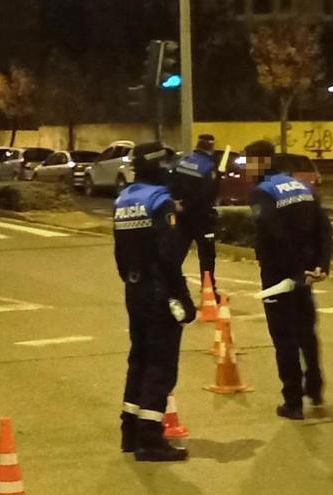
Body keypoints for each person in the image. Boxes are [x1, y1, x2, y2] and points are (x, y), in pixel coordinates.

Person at [114, 142, 196, 462]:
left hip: (134, 289)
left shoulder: (124, 200)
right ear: (159, 166)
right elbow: (168, 255)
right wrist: (182, 296)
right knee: (161, 365)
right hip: (158, 289)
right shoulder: (160, 202)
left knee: (139, 359)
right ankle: (150, 438)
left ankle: (130, 431)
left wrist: (133, 280)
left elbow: (120, 255)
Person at [244, 140, 333, 421]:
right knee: (306, 331)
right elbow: (324, 228)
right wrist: (319, 264)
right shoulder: (302, 187)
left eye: (249, 162)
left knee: (284, 338)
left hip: (279, 276)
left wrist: (293, 271)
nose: (247, 168)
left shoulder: (263, 192)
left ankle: (292, 401)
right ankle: (315, 388)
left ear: (261, 162)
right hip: (306, 273)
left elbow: (274, 234)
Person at [169, 134, 220, 298]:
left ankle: (168, 286)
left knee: (177, 252)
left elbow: (172, 185)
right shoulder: (208, 167)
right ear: (211, 147)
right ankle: (209, 290)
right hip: (202, 217)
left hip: (182, 216)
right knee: (207, 255)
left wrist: (179, 204)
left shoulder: (182, 161)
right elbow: (206, 194)